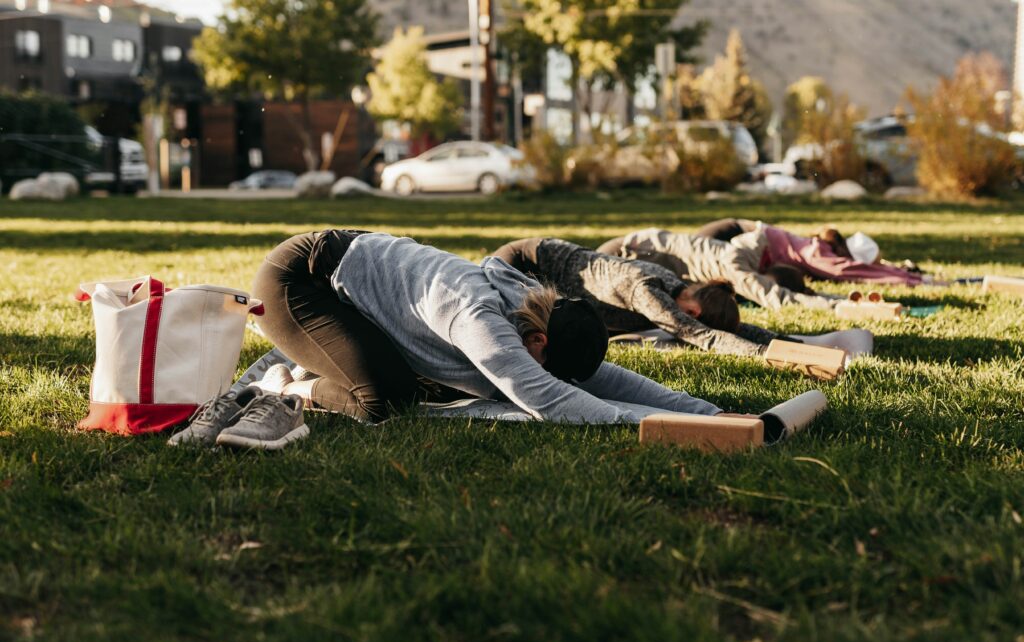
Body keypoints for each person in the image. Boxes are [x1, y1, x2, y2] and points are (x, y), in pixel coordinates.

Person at [250, 230, 722, 424]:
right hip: (296, 283)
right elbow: (549, 399)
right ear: (538, 340)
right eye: (547, 365)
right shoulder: (479, 320)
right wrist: (660, 423)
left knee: (403, 383)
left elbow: (599, 380)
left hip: (344, 276)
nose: (545, 373)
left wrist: (707, 413)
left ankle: (321, 355)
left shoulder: (537, 316)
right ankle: (292, 385)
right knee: (385, 400)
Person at [491, 237, 790, 357]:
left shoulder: (677, 288)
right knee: (505, 332)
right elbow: (704, 337)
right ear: (695, 312)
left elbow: (724, 332)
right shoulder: (647, 291)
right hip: (523, 262)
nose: (685, 319)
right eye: (691, 318)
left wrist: (782, 341)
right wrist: (767, 355)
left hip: (551, 269)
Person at [598, 219, 924, 310]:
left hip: (645, 246)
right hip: (631, 251)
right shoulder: (737, 266)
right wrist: (834, 303)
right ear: (768, 276)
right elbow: (777, 298)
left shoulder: (747, 252)